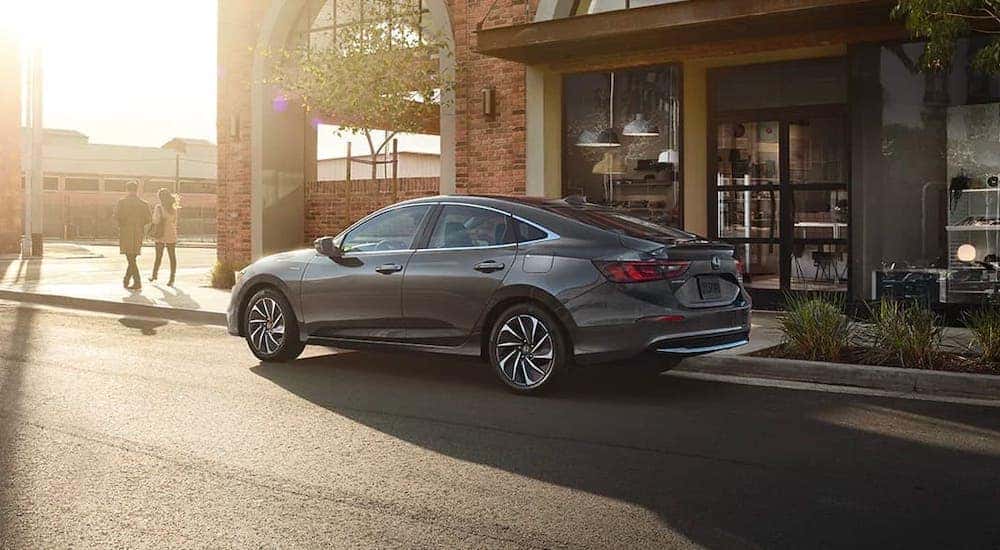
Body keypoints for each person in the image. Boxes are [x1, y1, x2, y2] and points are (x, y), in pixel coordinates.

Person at [115, 181, 151, 290]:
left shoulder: (122, 202)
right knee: (132, 258)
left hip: (126, 232)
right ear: (137, 189)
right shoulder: (143, 204)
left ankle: (137, 281)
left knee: (130, 258)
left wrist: (123, 223)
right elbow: (148, 219)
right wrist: (140, 224)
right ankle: (127, 279)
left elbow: (117, 216)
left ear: (127, 189)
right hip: (138, 232)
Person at [150, 188, 180, 286]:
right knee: (172, 256)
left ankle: (154, 275)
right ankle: (172, 278)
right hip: (171, 233)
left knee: (158, 256)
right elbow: (175, 221)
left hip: (160, 234)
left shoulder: (159, 207)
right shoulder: (173, 208)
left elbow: (156, 221)